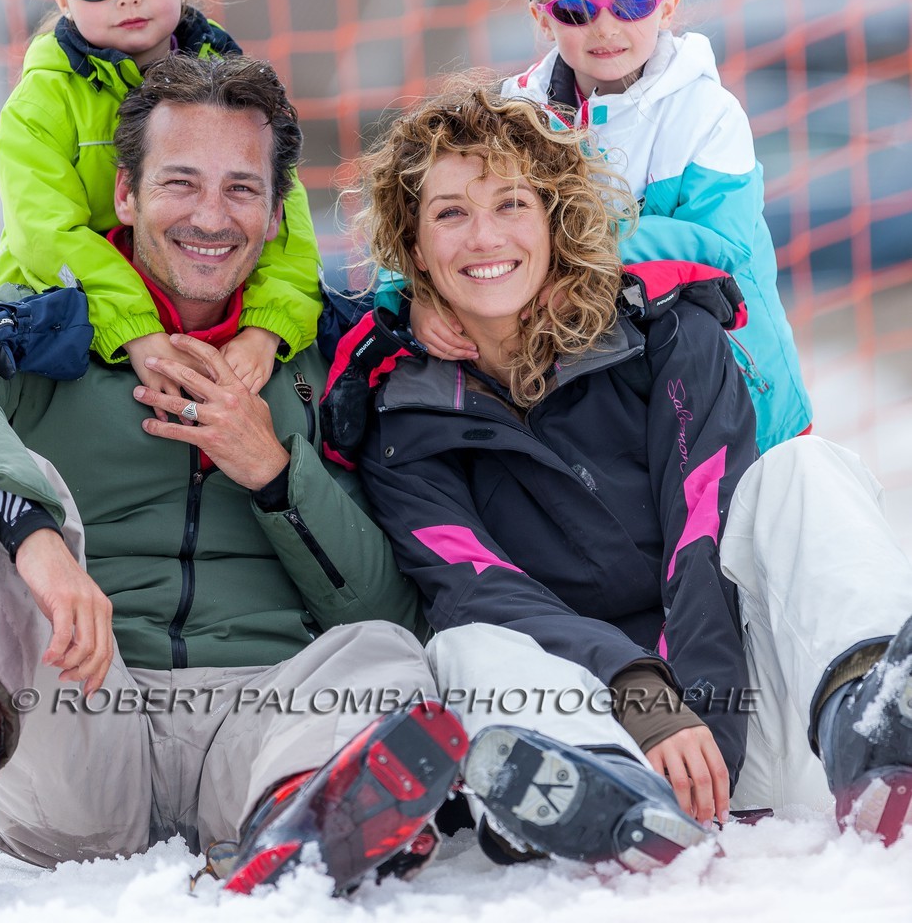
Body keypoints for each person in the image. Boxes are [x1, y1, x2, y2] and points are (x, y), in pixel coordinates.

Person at [0, 55, 467, 904]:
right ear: (128, 194)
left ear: (277, 210)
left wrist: (275, 472)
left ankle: (311, 823)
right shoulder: (50, 326)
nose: (212, 216)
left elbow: (383, 610)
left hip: (261, 730)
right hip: (80, 712)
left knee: (389, 655)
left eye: (242, 189)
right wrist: (43, 548)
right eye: (181, 183)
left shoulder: (338, 353)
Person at [322, 80, 912, 870]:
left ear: (555, 218)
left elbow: (701, 533)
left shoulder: (662, 334)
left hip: (753, 711)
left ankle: (871, 719)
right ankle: (604, 805)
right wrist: (638, 696)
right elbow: (477, 582)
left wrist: (697, 719)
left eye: (510, 205)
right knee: (466, 638)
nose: (482, 237)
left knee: (801, 470)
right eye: (450, 213)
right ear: (415, 244)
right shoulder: (401, 416)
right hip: (605, 724)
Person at [405, 0, 809, 451]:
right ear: (542, 20)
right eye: (576, 10)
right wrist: (414, 295)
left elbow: (723, 249)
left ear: (667, 6)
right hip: (608, 402)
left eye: (631, 5)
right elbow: (420, 219)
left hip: (739, 392)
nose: (605, 28)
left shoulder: (705, 115)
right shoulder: (513, 115)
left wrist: (570, 250)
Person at [0, 0, 322, 396]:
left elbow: (284, 219)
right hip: (66, 322)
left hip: (195, 313)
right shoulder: (40, 103)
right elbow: (46, 235)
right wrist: (136, 331)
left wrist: (264, 329)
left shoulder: (234, 91)